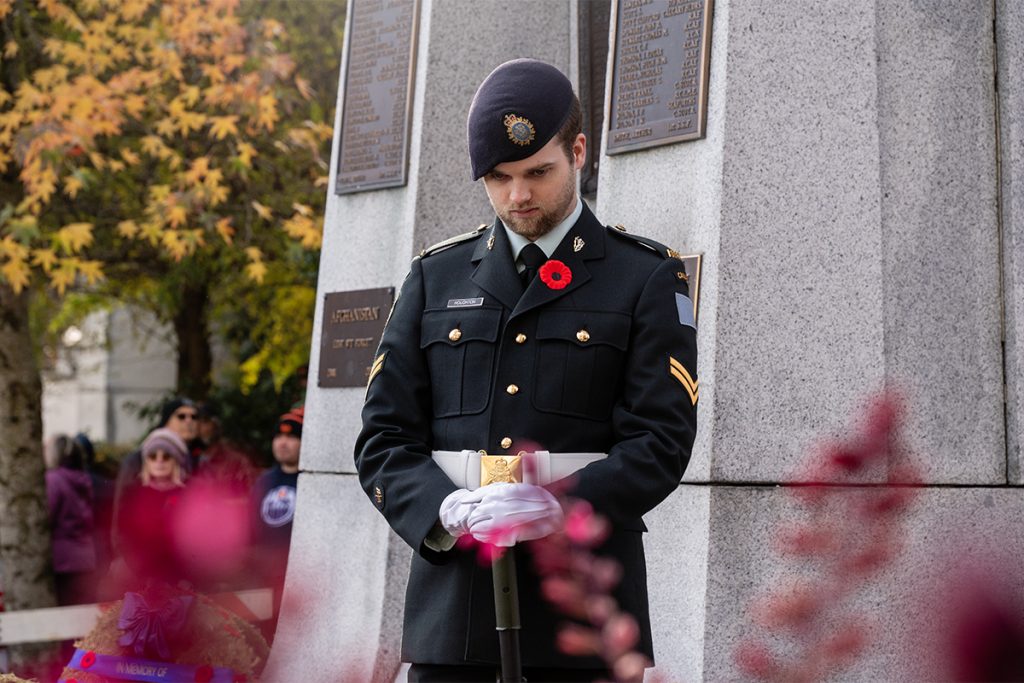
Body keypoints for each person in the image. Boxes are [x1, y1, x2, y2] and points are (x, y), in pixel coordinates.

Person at [354, 59, 699, 682]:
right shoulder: (435, 276)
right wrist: (445, 509)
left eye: (539, 172)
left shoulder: (644, 275)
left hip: (585, 617)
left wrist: (563, 507)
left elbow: (661, 442)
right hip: (452, 617)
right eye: (499, 177)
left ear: (580, 152)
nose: (518, 196)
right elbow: (383, 441)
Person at [114, 427, 191, 588]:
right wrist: (139, 569)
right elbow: (123, 535)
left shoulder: (190, 494)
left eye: (167, 456)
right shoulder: (133, 494)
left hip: (183, 579)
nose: (159, 461)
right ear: (146, 461)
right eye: (152, 456)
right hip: (139, 578)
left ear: (176, 460)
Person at [250, 408, 303, 640]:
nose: (283, 443)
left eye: (292, 437)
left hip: (297, 580)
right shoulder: (264, 481)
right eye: (279, 436)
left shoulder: (311, 482)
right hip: (261, 576)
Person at [44, 434, 97, 605]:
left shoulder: (53, 479)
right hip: (86, 558)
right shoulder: (84, 479)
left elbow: (47, 516)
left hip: (61, 561)